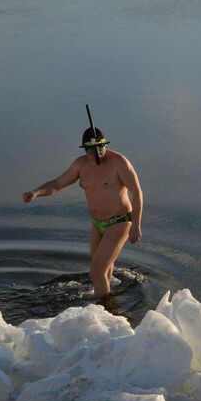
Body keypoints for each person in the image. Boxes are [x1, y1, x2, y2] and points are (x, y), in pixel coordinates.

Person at [23, 125, 143, 299]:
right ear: (85, 149)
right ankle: (110, 304)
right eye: (92, 151)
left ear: (105, 145)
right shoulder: (80, 165)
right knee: (101, 273)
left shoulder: (119, 162)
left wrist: (136, 225)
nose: (97, 154)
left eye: (100, 148)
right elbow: (57, 184)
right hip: (98, 224)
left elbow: (137, 192)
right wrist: (36, 193)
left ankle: (107, 312)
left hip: (120, 221)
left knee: (97, 272)